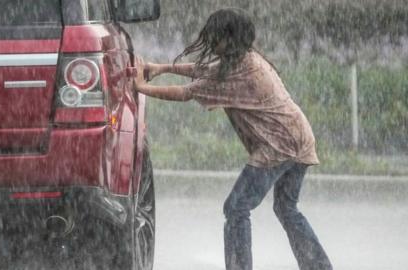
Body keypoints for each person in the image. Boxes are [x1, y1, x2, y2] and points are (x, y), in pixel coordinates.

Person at [133, 8, 333, 270]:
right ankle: (318, 266)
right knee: (286, 209)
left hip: (279, 145)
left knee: (236, 208)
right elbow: (205, 70)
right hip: (299, 138)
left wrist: (141, 87)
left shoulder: (242, 72)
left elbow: (185, 93)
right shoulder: (245, 59)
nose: (213, 43)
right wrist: (162, 68)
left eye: (216, 37)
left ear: (230, 38)